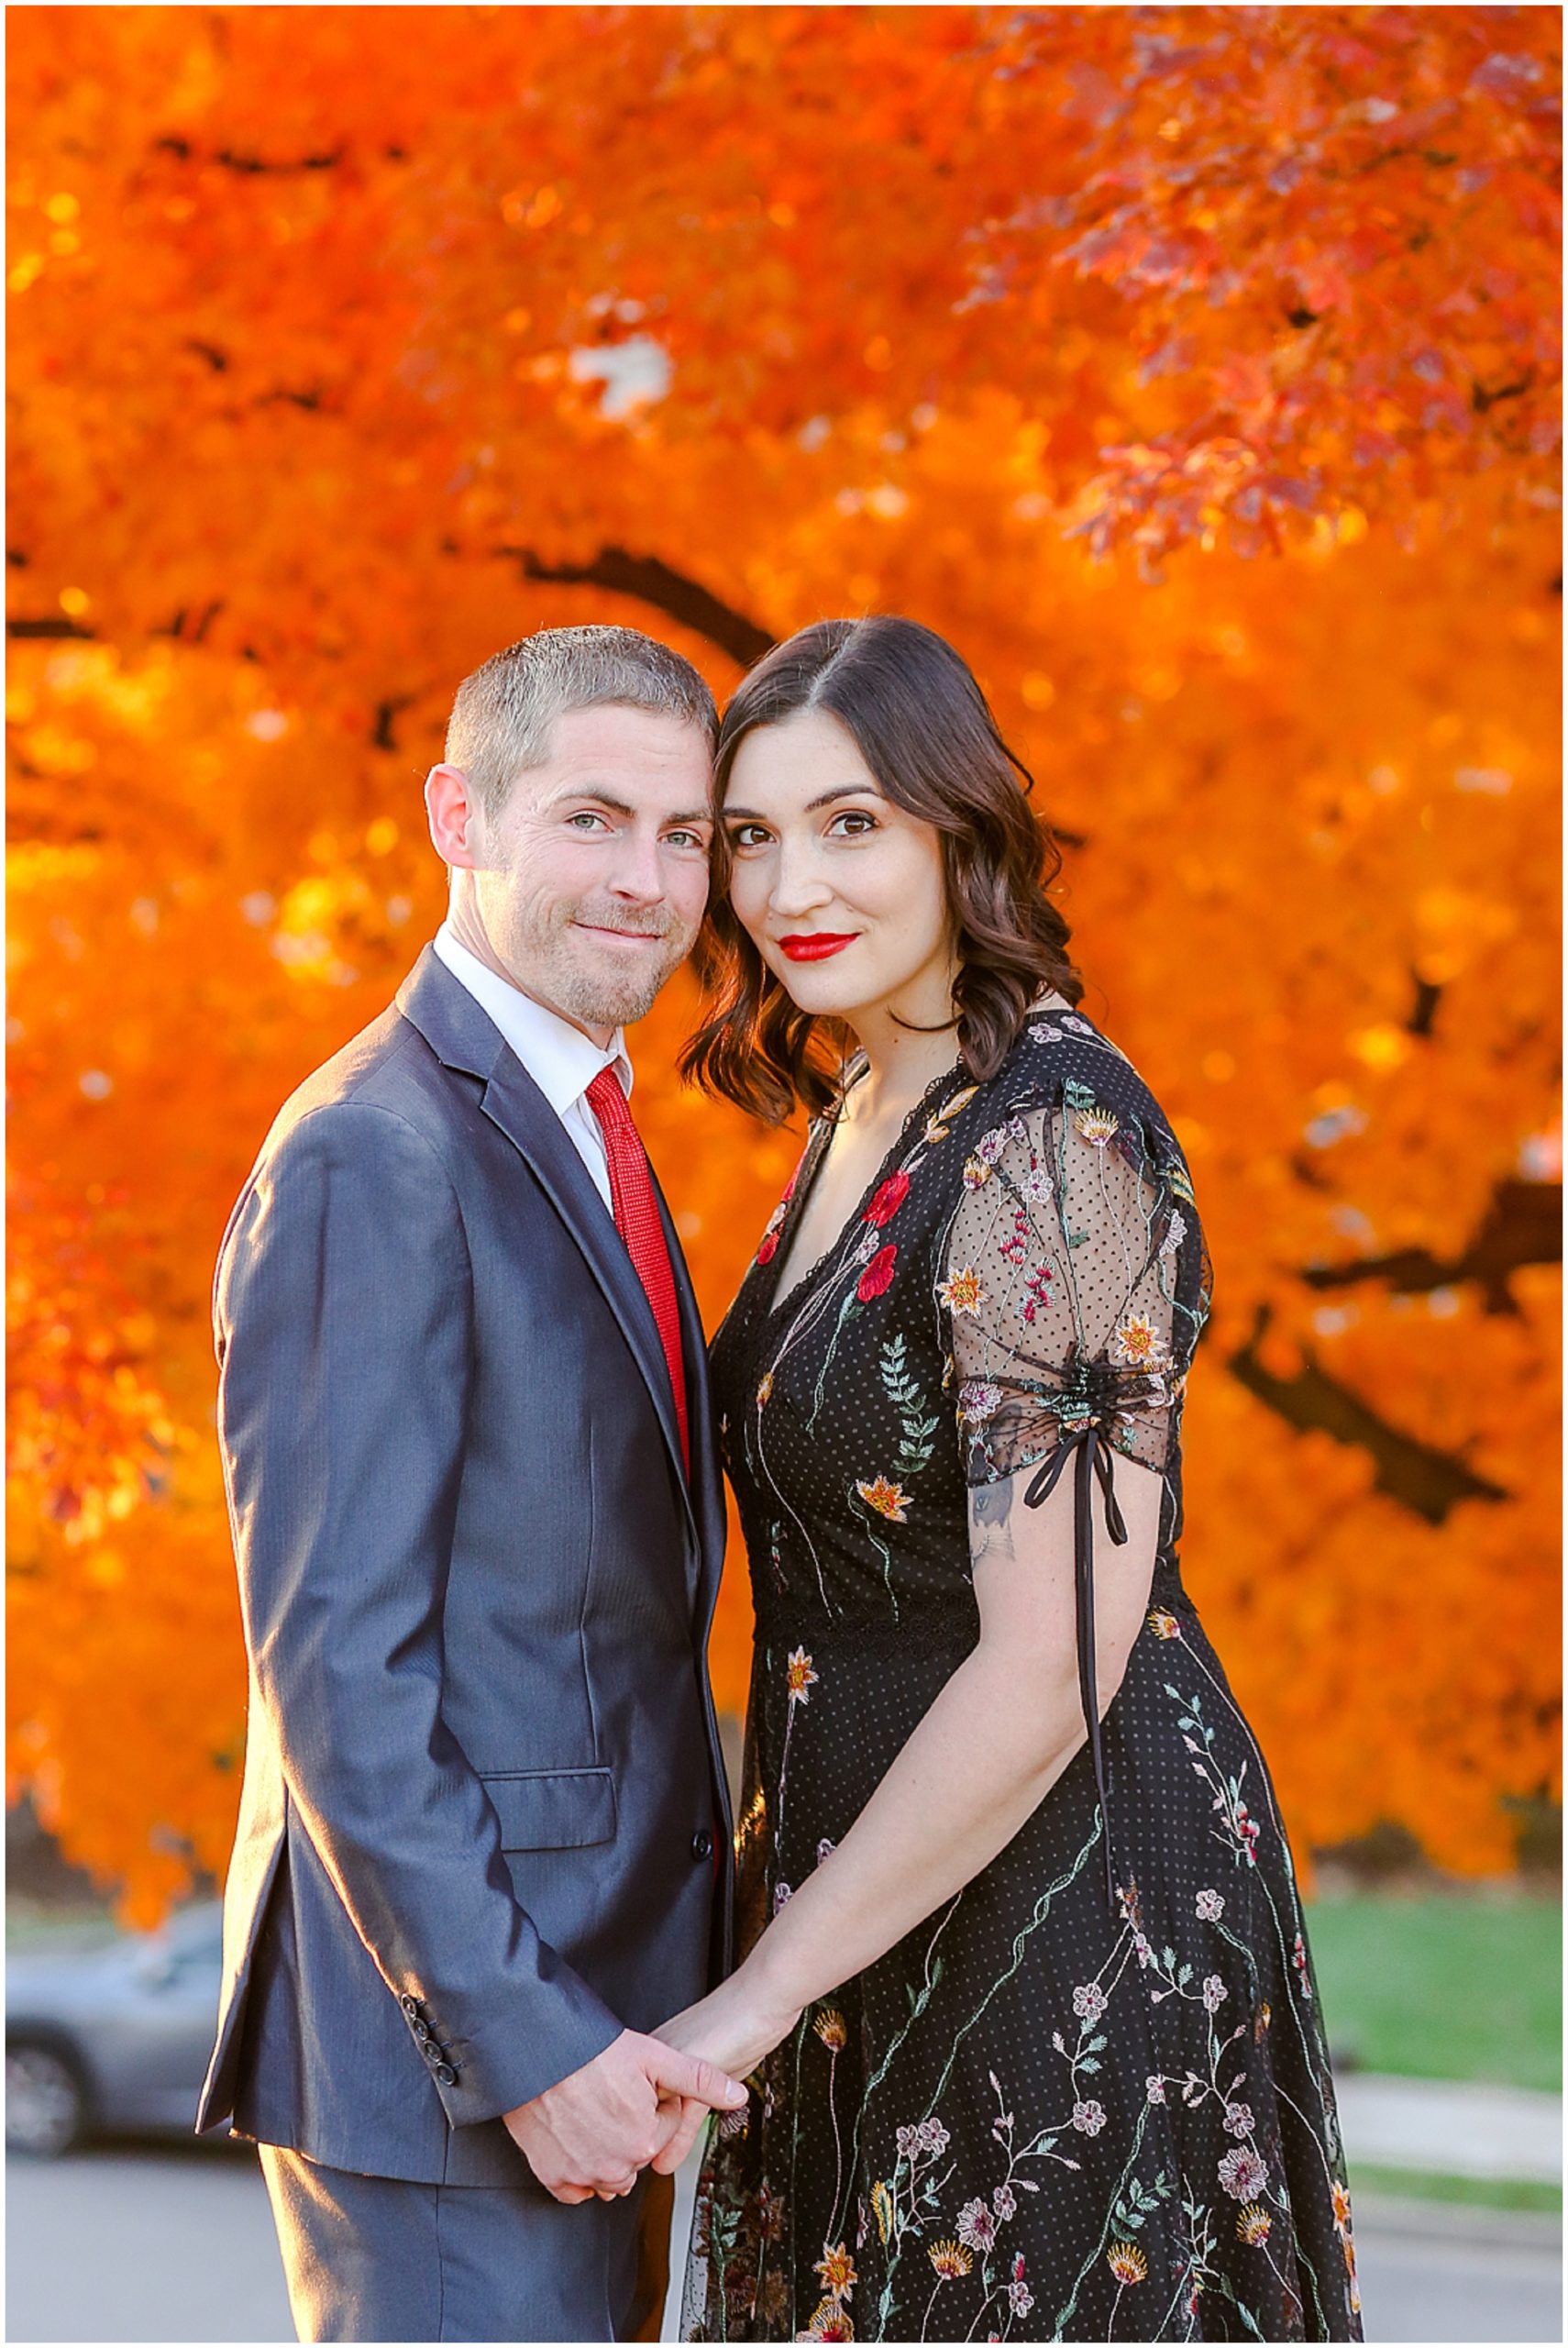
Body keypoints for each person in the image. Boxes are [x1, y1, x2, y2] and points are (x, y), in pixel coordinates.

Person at [663, 617, 1362, 2342]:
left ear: (957, 830)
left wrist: (748, 2002)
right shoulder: (863, 1105)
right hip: (868, 1905)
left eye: (851, 823)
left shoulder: (1050, 1138)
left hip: (1063, 1904)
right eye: (749, 835)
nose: (786, 884)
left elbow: (1052, 1658)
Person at [197, 625, 748, 2344]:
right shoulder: (378, 1147)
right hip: (462, 2068)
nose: (647, 882)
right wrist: (531, 2049)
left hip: (597, 2021)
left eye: (684, 836)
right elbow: (337, 1674)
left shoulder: (581, 1121)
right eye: (592, 820)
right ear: (460, 814)